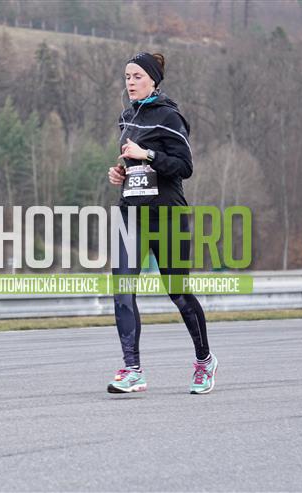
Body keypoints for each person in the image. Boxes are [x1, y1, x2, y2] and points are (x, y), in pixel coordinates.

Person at [106, 52, 216, 394]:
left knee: (178, 292)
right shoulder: (127, 117)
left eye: (137, 76)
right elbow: (136, 168)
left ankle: (204, 361)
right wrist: (121, 173)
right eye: (127, 76)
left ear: (153, 80)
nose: (130, 82)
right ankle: (132, 370)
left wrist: (148, 155)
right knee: (122, 289)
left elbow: (184, 167)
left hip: (167, 215)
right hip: (131, 214)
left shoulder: (170, 116)